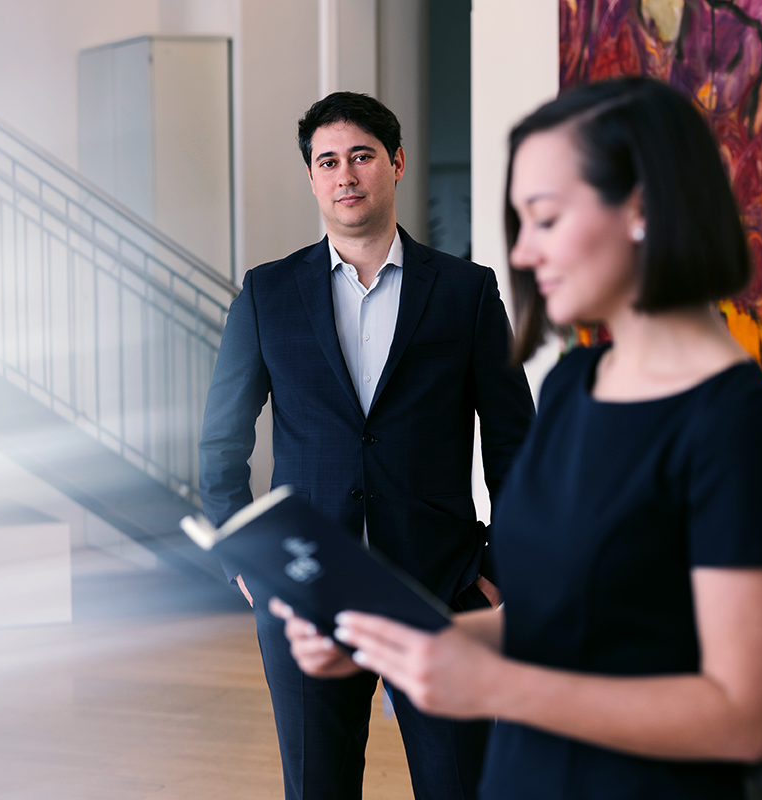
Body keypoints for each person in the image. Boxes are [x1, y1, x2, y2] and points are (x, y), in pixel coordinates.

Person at [274, 77, 762, 799]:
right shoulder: (574, 384)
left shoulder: (739, 426)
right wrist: (400, 646)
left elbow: (740, 718)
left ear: (643, 209)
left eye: (546, 219)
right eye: (518, 222)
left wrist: (498, 681)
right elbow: (559, 624)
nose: (522, 253)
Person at [198, 91, 535, 800]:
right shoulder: (267, 295)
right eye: (328, 161)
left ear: (396, 163)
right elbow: (221, 443)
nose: (345, 173)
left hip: (442, 592)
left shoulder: (466, 294)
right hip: (304, 595)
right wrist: (251, 570)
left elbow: (518, 446)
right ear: (313, 178)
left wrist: (498, 572)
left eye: (361, 156)